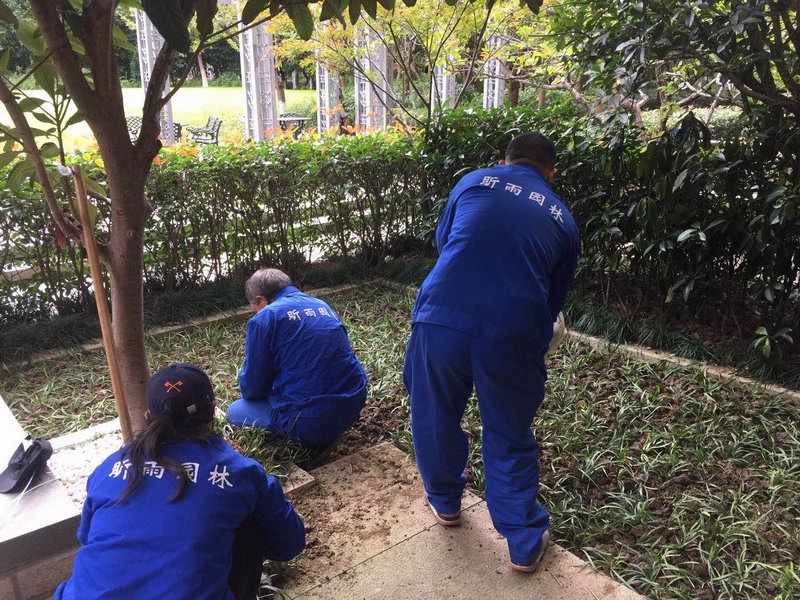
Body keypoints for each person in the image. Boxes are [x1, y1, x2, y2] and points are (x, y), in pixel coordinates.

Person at [403, 133, 580, 572]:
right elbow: (553, 299)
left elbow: (447, 243)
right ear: (551, 173)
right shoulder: (562, 218)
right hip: (512, 330)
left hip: (442, 316)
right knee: (508, 429)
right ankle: (524, 540)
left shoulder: (474, 181)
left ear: (504, 161)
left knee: (434, 412)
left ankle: (445, 502)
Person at [55, 363, 305, 600]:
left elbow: (86, 536)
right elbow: (290, 543)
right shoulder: (239, 473)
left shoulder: (109, 468)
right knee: (251, 528)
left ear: (147, 416)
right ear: (212, 412)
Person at [226, 269, 368, 460]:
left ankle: (312, 438)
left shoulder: (265, 318)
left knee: (235, 411)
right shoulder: (321, 305)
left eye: (255, 307)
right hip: (353, 402)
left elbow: (253, 387)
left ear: (261, 300)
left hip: (309, 420)